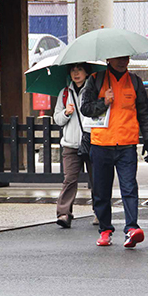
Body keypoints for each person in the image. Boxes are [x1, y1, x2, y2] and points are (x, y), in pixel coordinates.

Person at [81, 54, 148, 248]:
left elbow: (144, 112)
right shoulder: (95, 80)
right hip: (101, 144)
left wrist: (147, 139)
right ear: (109, 59)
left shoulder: (135, 82)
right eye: (119, 58)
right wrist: (103, 102)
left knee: (129, 188)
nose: (123, 61)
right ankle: (105, 230)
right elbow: (85, 108)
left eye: (126, 58)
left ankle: (131, 228)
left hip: (127, 144)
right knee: (101, 191)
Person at [53, 63, 93, 228]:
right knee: (69, 179)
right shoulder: (64, 94)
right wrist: (66, 113)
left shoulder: (93, 90)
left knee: (96, 180)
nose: (76, 73)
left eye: (80, 70)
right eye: (73, 70)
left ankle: (99, 212)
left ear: (86, 72)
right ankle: (63, 214)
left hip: (92, 142)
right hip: (70, 143)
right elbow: (57, 119)